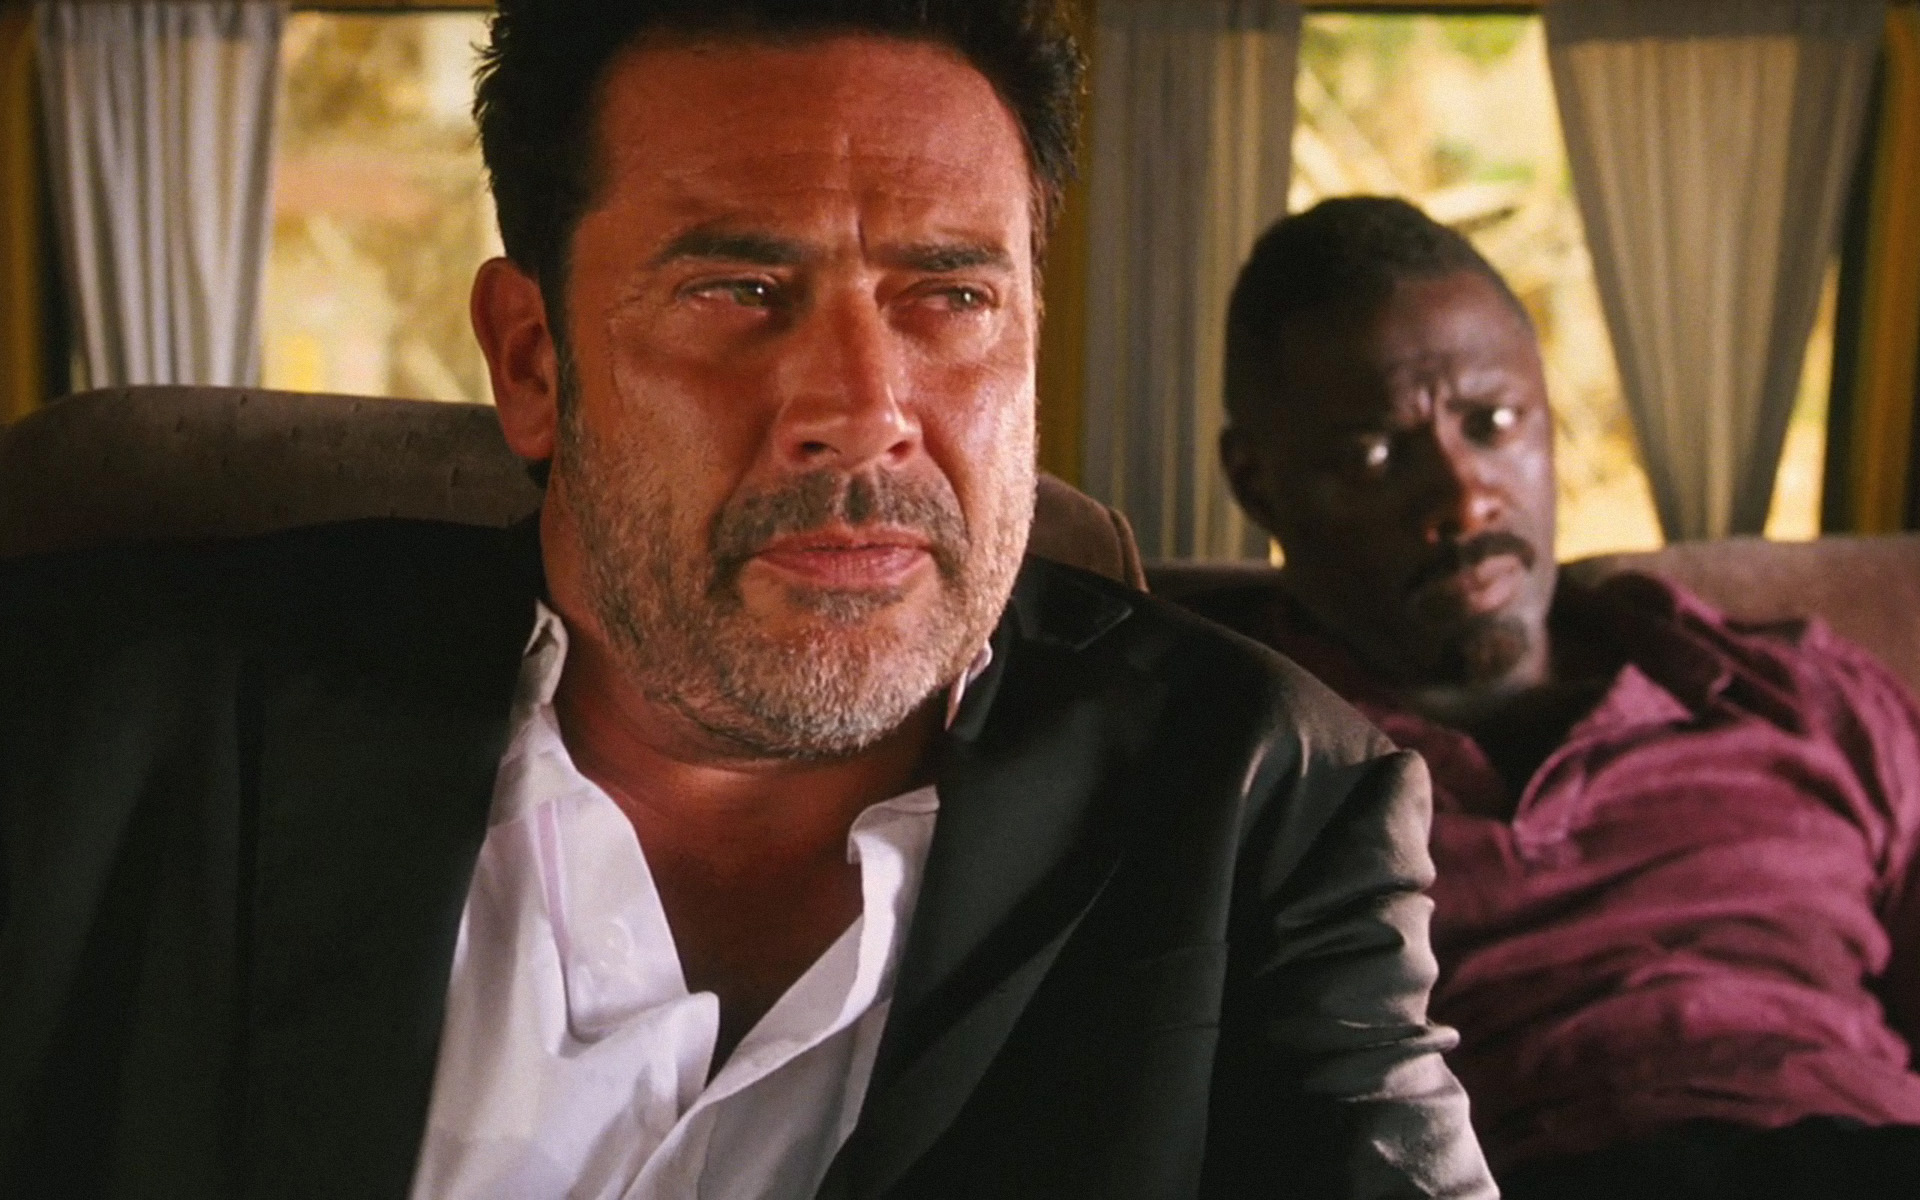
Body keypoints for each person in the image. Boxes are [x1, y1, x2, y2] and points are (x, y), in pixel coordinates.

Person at [0, 8, 1494, 1198]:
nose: (863, 413)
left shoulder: (1266, 799)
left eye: (951, 298)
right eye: (738, 294)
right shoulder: (105, 721)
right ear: (532, 360)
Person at [1198, 194, 1920, 1199]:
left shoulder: (1793, 692)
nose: (1464, 497)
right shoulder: (1236, 758)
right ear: (1257, 483)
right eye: (1374, 453)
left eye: (1494, 424)